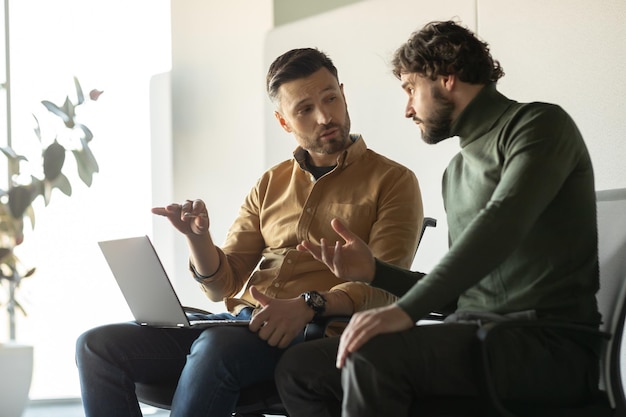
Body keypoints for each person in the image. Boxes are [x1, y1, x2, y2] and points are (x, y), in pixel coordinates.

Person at [274, 20, 601, 417]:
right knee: (301, 368)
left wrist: (402, 311)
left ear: (446, 78)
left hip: (545, 345)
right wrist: (375, 271)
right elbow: (458, 295)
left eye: (411, 89)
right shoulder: (456, 171)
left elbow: (499, 226)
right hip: (475, 332)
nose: (408, 108)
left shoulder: (538, 126)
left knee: (374, 356)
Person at [75, 48, 424, 417]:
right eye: (304, 109)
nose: (325, 116)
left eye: (330, 99)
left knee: (214, 348)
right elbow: (221, 285)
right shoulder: (270, 183)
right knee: (96, 345)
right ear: (283, 122)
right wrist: (198, 239)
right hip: (240, 324)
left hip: (314, 332)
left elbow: (386, 286)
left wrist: (308, 305)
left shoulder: (393, 181)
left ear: (343, 94)